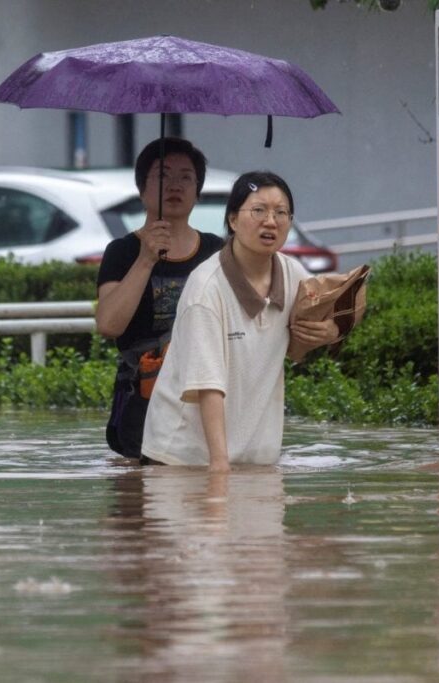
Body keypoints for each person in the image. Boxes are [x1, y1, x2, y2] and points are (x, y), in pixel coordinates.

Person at [141, 171, 338, 470]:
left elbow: (331, 311)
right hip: (182, 460)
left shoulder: (292, 274)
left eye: (281, 212)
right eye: (258, 210)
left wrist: (329, 330)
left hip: (254, 458)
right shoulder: (206, 289)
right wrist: (219, 469)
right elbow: (208, 386)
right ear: (233, 220)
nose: (270, 221)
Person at [96, 137, 225, 460]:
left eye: (186, 177)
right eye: (163, 175)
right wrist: (145, 259)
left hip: (203, 396)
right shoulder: (122, 252)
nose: (175, 185)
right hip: (144, 401)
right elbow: (109, 324)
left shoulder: (217, 252)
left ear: (197, 191)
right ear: (142, 189)